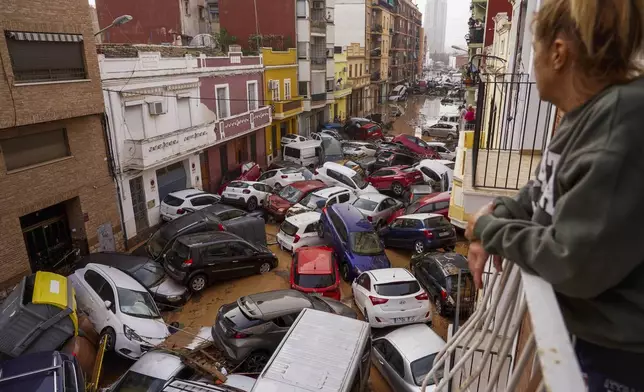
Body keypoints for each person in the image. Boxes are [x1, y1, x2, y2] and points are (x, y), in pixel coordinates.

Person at [464, 0, 644, 390]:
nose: (534, 62)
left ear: (558, 53)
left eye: (535, 50)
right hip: (592, 340)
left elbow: (573, 262)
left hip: (619, 360)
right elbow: (540, 189)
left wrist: (491, 228)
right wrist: (496, 217)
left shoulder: (619, 124)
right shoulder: (587, 115)